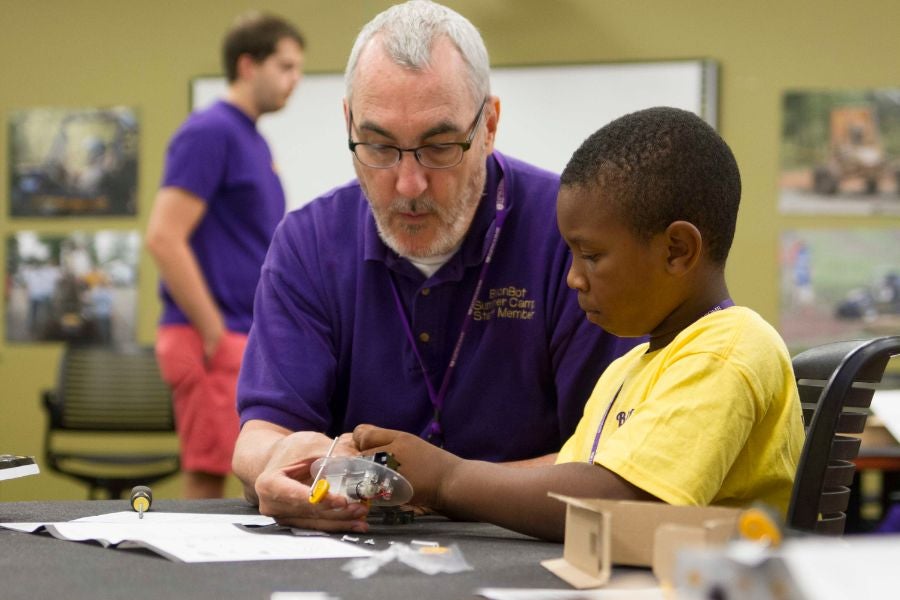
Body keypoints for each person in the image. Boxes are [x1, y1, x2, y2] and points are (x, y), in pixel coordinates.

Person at [232, 0, 636, 529]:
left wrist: (446, 485)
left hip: (532, 548)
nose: (408, 184)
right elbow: (259, 439)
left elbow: (612, 459)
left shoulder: (571, 236)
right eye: (378, 146)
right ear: (349, 122)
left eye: (439, 147)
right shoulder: (308, 243)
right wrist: (285, 459)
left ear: (488, 126)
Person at [353, 106, 807, 542]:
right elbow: (565, 489)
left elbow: (623, 506)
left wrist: (447, 479)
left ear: (677, 250)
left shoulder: (729, 349)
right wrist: (423, 486)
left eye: (590, 256)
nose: (572, 277)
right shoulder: (627, 369)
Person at [146, 12, 304, 499]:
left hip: (243, 333)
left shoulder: (252, 140)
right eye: (285, 66)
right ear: (247, 65)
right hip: (212, 337)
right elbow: (163, 237)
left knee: (247, 481)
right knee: (211, 480)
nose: (294, 80)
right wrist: (214, 333)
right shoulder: (210, 132)